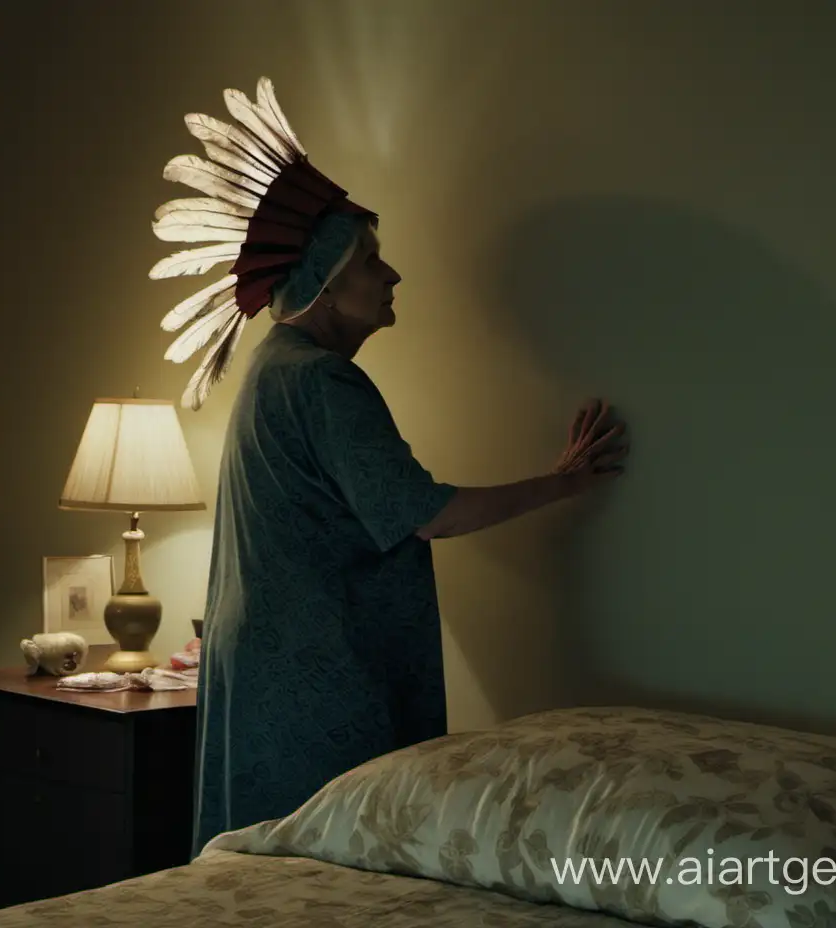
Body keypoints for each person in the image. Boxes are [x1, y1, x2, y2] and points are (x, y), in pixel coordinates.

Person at [147, 78, 628, 858]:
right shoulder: (323, 379)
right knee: (332, 865)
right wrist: (566, 480)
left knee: (266, 867)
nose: (392, 275)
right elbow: (427, 512)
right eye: (372, 260)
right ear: (327, 289)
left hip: (266, 662)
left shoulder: (275, 367)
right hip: (316, 672)